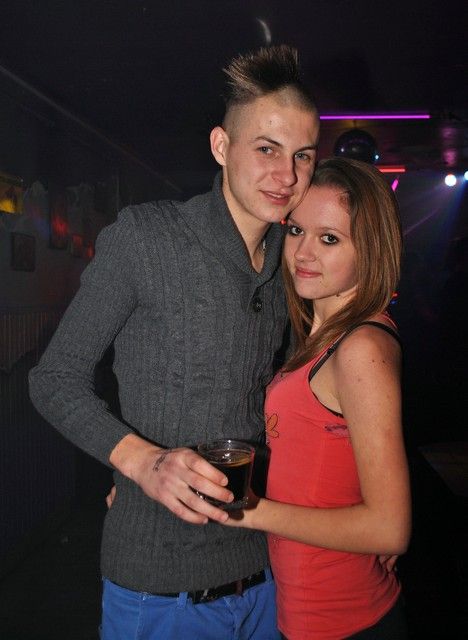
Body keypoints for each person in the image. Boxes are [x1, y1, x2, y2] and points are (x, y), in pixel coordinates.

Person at [28, 45, 320, 640]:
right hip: (160, 589)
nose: (287, 175)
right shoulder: (148, 238)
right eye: (266, 149)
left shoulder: (293, 265)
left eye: (303, 156)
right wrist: (142, 462)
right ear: (221, 147)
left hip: (266, 576)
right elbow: (54, 379)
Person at [221, 157, 412, 639]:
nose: (303, 252)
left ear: (370, 248)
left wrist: (251, 510)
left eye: (329, 238)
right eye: (296, 230)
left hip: (347, 621)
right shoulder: (321, 336)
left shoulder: (360, 348)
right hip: (309, 613)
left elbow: (390, 529)